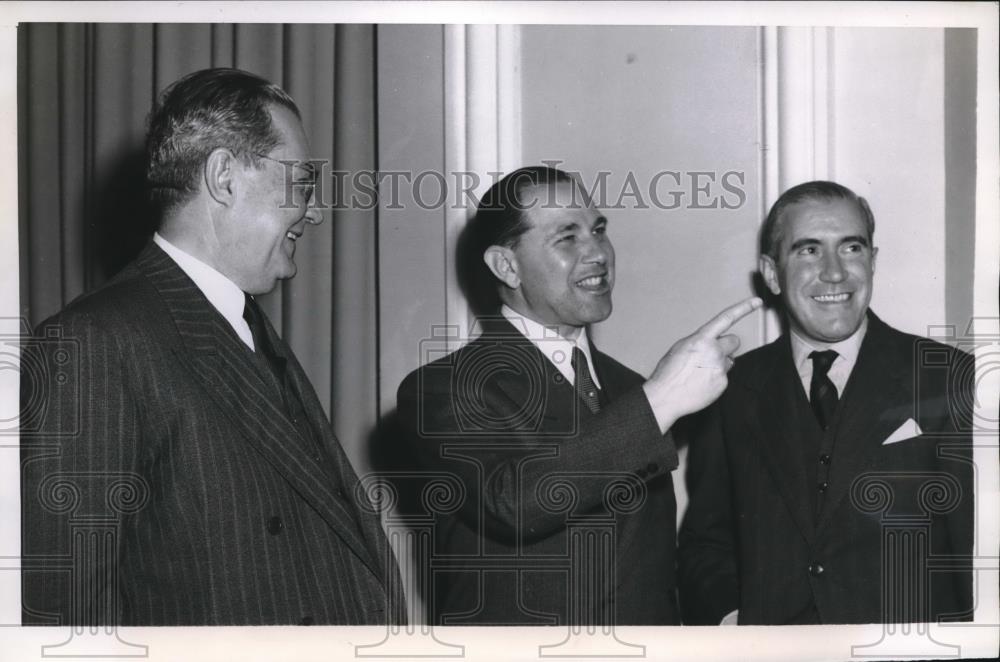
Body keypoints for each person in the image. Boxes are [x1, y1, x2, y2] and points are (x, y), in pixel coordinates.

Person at [21, 68, 405, 626]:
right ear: (225, 175)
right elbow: (64, 611)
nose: (314, 211)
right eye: (301, 182)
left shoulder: (242, 322)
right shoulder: (93, 342)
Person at [396, 166, 761, 625]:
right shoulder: (444, 387)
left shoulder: (632, 389)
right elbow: (514, 501)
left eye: (599, 230)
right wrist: (663, 399)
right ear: (506, 265)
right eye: (567, 237)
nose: (598, 253)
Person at [677, 180, 974, 625]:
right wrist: (730, 622)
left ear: (872, 261)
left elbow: (975, 553)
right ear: (773, 273)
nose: (834, 273)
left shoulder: (951, 379)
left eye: (851, 248)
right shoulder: (729, 389)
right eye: (809, 251)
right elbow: (706, 542)